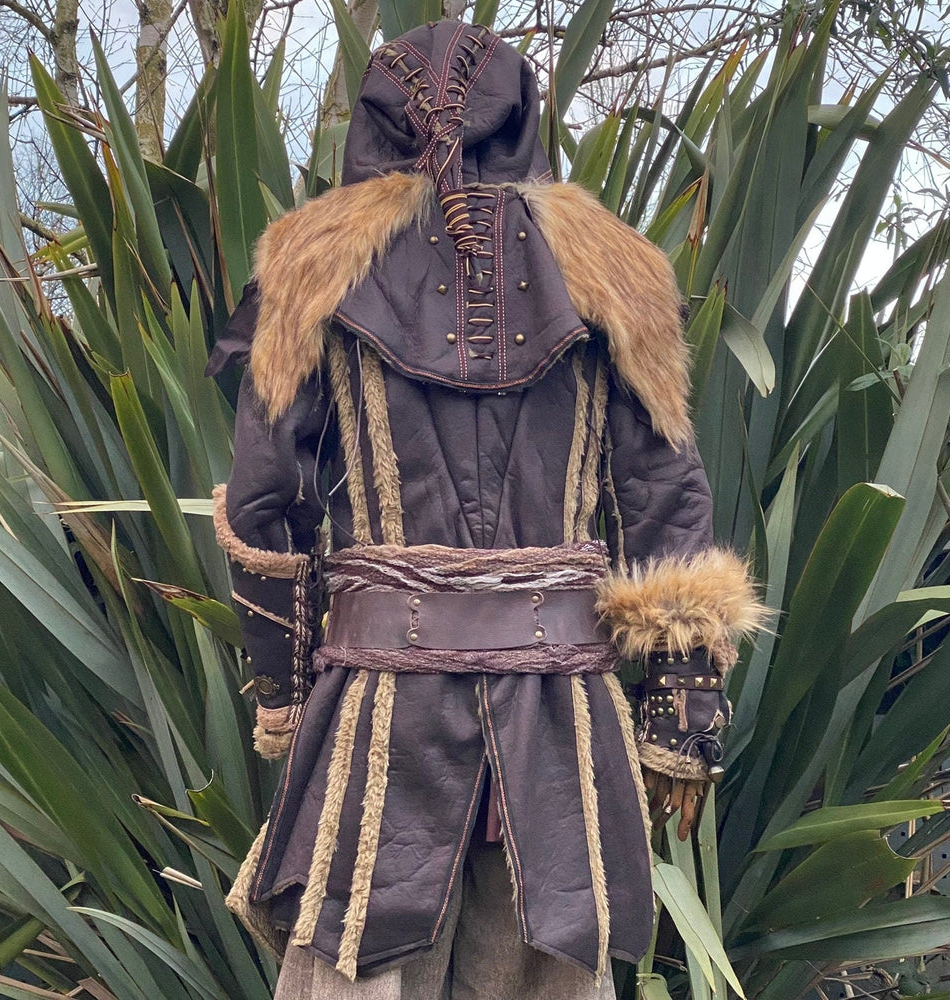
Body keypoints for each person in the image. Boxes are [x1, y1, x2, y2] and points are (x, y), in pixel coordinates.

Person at [207, 20, 763, 1000]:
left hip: (382, 712)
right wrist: (680, 714)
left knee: (356, 973)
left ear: (371, 126)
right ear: (525, 121)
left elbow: (265, 507)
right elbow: (668, 501)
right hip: (559, 719)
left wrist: (284, 698)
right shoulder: (615, 272)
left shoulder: (308, 268)